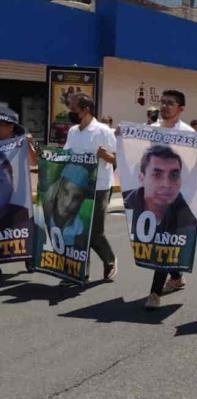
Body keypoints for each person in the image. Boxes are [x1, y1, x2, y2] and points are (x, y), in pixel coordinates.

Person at [143, 89, 197, 307]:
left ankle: (155, 293)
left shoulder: (188, 134)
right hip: (153, 195)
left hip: (176, 197)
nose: (165, 106)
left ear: (181, 109)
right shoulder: (149, 131)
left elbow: (193, 166)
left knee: (163, 238)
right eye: (163, 102)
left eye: (170, 103)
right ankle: (177, 277)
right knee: (160, 239)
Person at [124, 145, 197, 310]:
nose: (166, 184)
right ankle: (176, 277)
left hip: (172, 226)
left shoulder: (183, 211)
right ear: (142, 177)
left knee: (164, 247)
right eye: (157, 174)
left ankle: (155, 293)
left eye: (174, 175)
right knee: (165, 248)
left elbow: (196, 175)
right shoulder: (129, 199)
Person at [63, 92, 118, 283]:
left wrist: (108, 157)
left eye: (73, 107)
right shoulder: (73, 132)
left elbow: (121, 158)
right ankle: (80, 271)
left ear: (85, 109)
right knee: (78, 229)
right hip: (76, 185)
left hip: (99, 186)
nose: (70, 110)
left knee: (94, 231)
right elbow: (66, 155)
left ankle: (109, 260)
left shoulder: (103, 131)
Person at [0, 107, 36, 274]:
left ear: (11, 127)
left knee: (21, 229)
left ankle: (29, 257)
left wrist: (28, 144)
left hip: (18, 199)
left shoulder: (20, 143)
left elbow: (34, 162)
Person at [41, 164, 90, 251]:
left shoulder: (81, 231)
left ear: (81, 201)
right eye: (66, 192)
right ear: (58, 191)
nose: (68, 203)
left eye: (76, 198)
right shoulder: (41, 219)